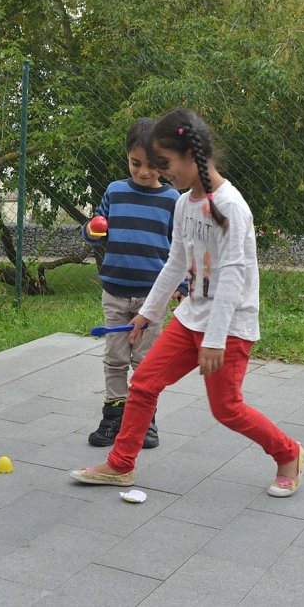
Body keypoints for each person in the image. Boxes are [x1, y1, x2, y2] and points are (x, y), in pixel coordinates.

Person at [70, 108, 304, 497]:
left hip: (228, 327)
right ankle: (120, 464)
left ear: (191, 154)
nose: (162, 173)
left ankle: (289, 453)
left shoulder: (231, 207)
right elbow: (175, 263)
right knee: (144, 383)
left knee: (226, 408)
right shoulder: (183, 204)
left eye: (165, 163)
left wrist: (214, 339)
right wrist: (147, 314)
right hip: (192, 316)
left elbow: (233, 277)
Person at [82, 118, 188, 449]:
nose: (143, 172)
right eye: (135, 163)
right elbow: (95, 230)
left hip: (151, 298)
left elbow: (180, 249)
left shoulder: (173, 200)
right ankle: (113, 415)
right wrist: (92, 230)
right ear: (127, 157)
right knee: (114, 358)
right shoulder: (115, 192)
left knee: (146, 362)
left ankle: (146, 419)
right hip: (114, 292)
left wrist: (183, 287)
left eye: (152, 164)